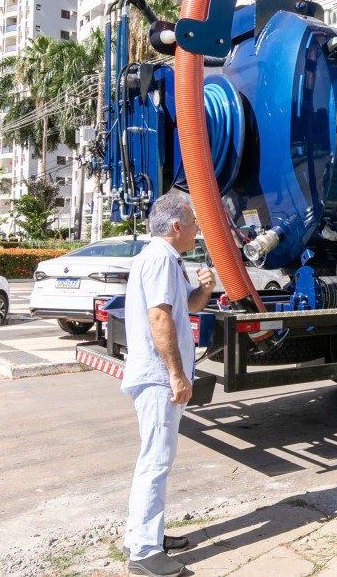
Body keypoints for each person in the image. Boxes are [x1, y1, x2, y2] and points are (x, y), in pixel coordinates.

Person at [121, 193, 215, 577]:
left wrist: (204, 290)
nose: (196, 230)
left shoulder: (166, 259)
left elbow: (185, 307)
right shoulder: (161, 259)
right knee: (156, 462)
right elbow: (159, 319)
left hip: (157, 375)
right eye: (193, 223)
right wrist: (176, 374)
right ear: (176, 226)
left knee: (153, 459)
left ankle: (143, 536)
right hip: (159, 377)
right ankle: (144, 554)